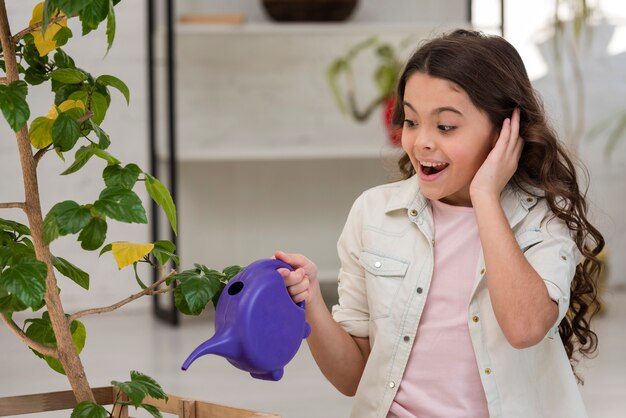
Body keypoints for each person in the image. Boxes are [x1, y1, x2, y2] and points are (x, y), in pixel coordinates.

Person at [275, 29, 604, 418]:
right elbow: (353, 378)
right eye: (412, 122)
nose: (421, 142)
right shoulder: (373, 214)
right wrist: (310, 299)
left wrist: (485, 197)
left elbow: (524, 328)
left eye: (445, 127)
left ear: (504, 132)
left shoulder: (543, 217)